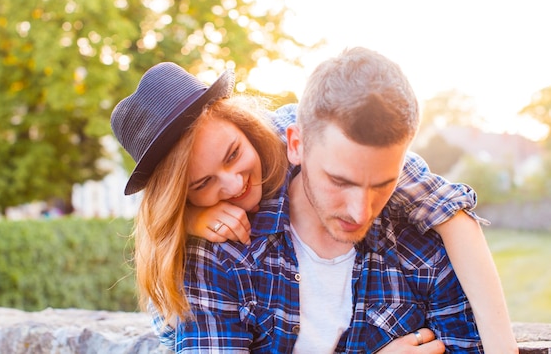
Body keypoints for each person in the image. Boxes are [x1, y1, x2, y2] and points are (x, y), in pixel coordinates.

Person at [110, 56, 516, 352]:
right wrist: (191, 220)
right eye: (202, 183)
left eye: (233, 154)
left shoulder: (304, 132)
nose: (235, 185)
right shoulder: (215, 255)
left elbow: (451, 214)